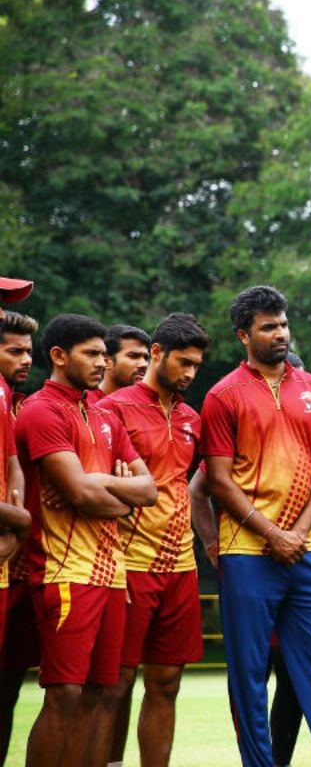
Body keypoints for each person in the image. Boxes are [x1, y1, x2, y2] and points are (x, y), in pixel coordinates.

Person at [200, 285, 311, 767]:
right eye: (268, 326)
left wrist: (295, 534)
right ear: (243, 335)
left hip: (309, 550)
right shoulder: (222, 395)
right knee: (250, 675)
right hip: (247, 551)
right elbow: (217, 479)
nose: (280, 333)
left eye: (283, 324)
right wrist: (272, 534)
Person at [15, 313, 157, 766]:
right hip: (64, 570)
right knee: (66, 693)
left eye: (103, 353)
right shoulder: (41, 410)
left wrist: (99, 484)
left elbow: (148, 490)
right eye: (91, 353)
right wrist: (114, 493)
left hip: (112, 573)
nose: (102, 362)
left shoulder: (104, 413)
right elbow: (77, 494)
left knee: (102, 691)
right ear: (58, 356)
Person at [97, 313, 216, 767]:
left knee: (167, 682)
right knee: (116, 682)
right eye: (183, 362)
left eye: (197, 366)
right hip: (127, 563)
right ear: (157, 354)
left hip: (181, 566)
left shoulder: (192, 417)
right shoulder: (114, 408)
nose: (189, 373)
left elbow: (204, 482)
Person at [0, 304, 35, 763]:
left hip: (9, 559)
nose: (25, 358)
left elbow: (12, 466)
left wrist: (15, 525)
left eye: (29, 350)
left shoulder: (6, 395)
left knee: (8, 686)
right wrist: (22, 522)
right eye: (14, 351)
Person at [98, 325, 150, 398]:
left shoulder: (151, 405)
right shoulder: (83, 404)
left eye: (146, 358)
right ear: (106, 361)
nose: (144, 365)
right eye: (133, 356)